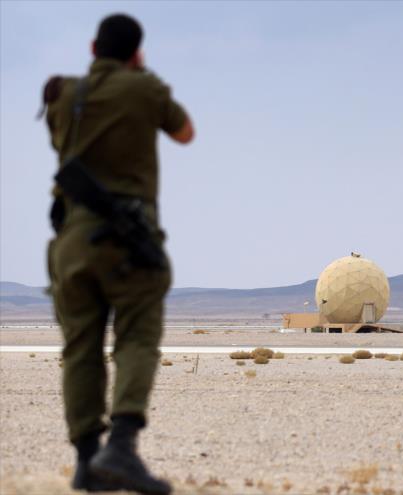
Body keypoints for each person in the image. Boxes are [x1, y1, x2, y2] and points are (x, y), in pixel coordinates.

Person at [43, 13, 194, 494]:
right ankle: (122, 448)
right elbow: (185, 132)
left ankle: (88, 461)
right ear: (136, 53)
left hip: (71, 242)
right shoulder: (143, 88)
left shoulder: (63, 96)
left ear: (92, 48)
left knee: (80, 349)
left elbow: (60, 144)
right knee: (135, 338)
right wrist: (140, 77)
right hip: (127, 241)